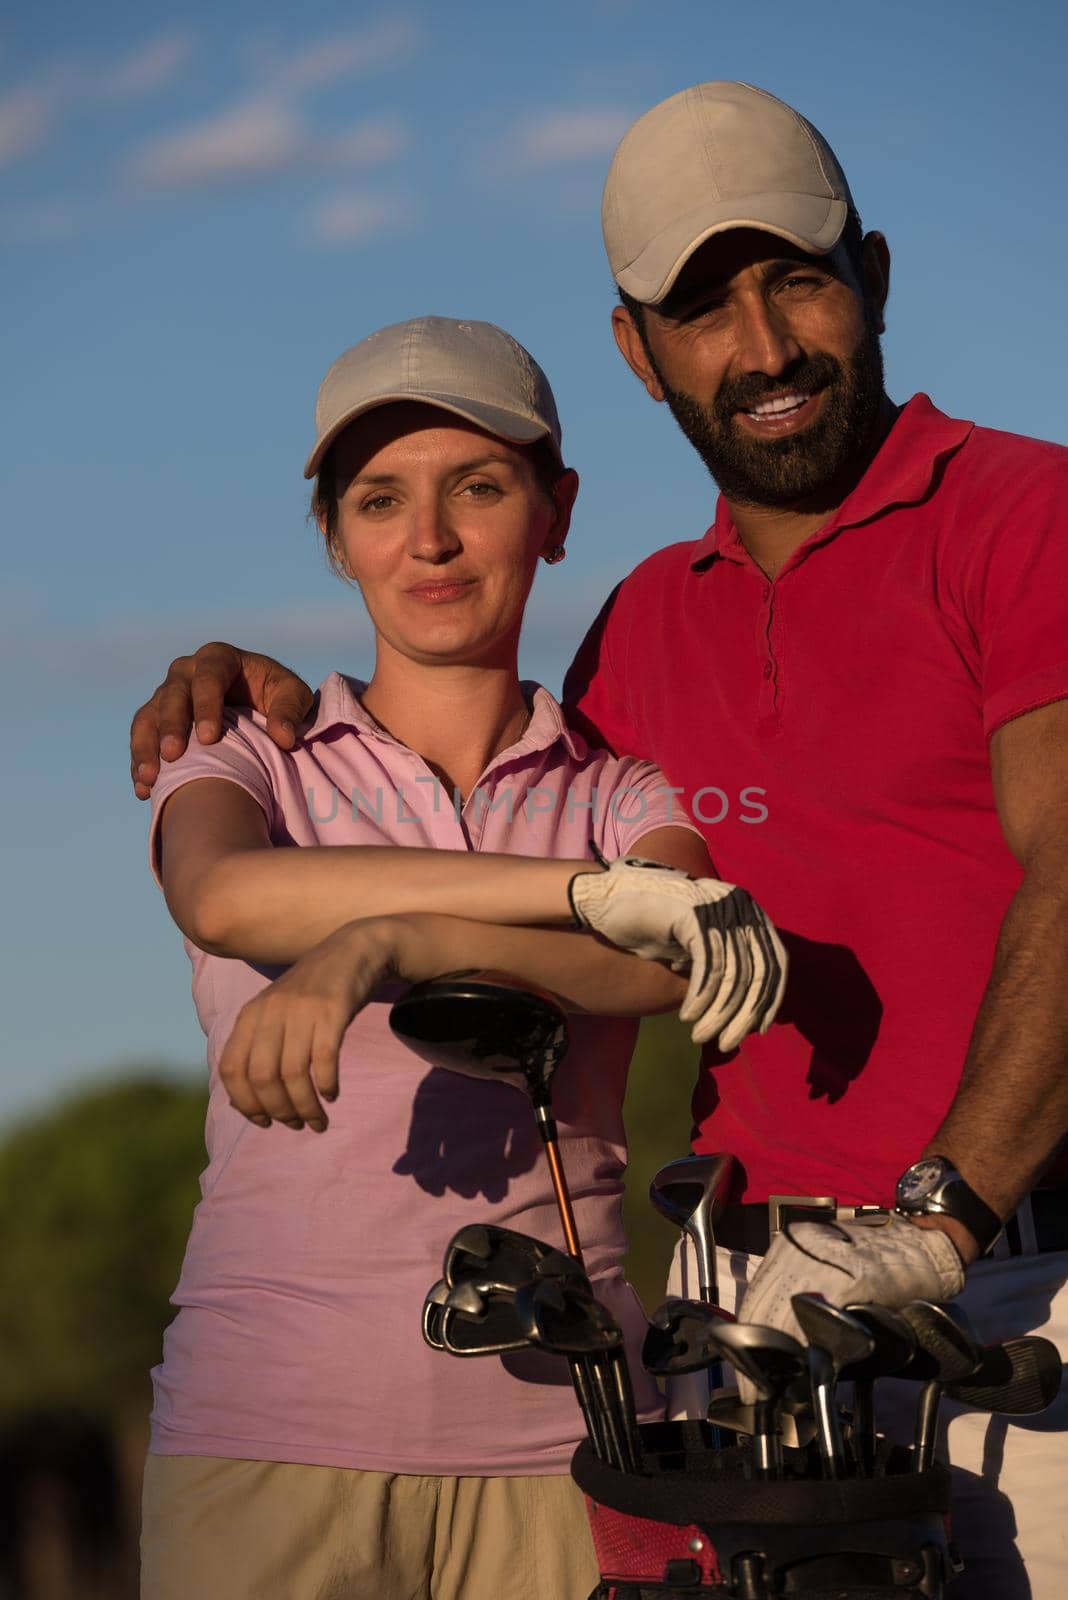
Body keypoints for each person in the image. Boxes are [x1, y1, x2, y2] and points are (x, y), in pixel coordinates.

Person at [131, 84, 1068, 1597]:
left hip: (1008, 1276)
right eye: (704, 307)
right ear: (639, 352)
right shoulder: (642, 629)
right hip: (732, 1324)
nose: (762, 348)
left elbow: (683, 937)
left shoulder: (1029, 512)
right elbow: (498, 861)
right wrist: (260, 692)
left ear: (875, 273)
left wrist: (942, 1216)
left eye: (801, 279)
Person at [134, 312, 787, 1600]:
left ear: (556, 511)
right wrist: (586, 898)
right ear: (334, 537)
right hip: (267, 1443)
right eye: (380, 500)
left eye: (478, 488)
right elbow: (221, 896)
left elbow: (676, 962)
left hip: (571, 1449)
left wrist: (392, 940)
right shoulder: (246, 754)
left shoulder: (620, 784)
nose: (428, 540)